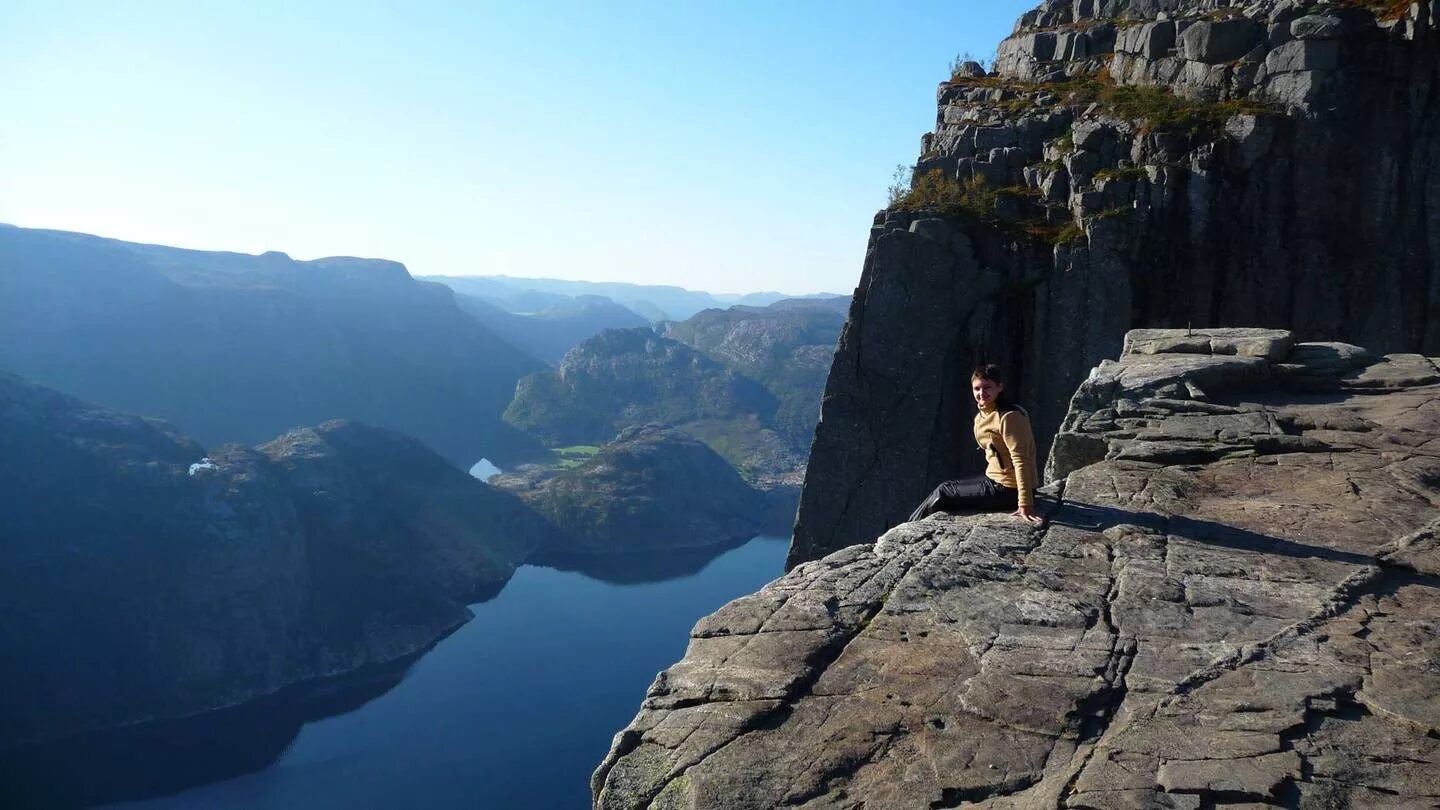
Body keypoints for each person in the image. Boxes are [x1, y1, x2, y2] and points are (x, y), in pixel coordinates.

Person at [908, 364, 1043, 525]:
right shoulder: (985, 414)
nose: (981, 393)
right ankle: (909, 525)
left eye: (987, 387)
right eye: (977, 388)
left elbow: (1021, 459)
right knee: (947, 486)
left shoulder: (1009, 416)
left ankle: (909, 527)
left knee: (944, 492)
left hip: (1008, 490)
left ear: (1000, 387)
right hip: (997, 481)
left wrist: (1025, 503)